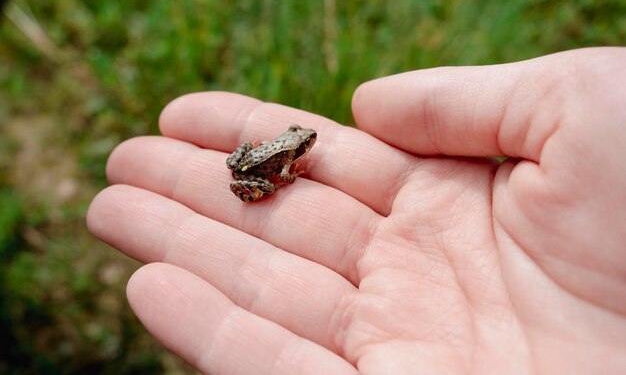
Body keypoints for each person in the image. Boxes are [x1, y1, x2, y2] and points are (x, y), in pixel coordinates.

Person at [87, 47, 626, 374]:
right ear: (296, 146)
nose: (306, 144)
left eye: (301, 144)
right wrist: (283, 174)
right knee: (259, 188)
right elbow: (274, 173)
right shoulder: (288, 160)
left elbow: (267, 158)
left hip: (248, 155)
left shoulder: (293, 147)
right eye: (302, 144)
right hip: (253, 167)